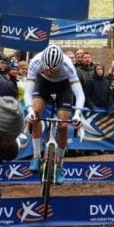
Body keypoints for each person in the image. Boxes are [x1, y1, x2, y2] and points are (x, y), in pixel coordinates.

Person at [24, 45, 85, 185]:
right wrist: (30, 110)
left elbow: (80, 95)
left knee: (63, 125)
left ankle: (60, 165)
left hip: (63, 85)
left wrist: (77, 114)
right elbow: (27, 92)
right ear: (43, 63)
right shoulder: (36, 62)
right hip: (42, 83)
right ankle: (36, 155)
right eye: (48, 69)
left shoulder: (68, 65)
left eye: (54, 70)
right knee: (36, 111)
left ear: (60, 65)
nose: (51, 72)